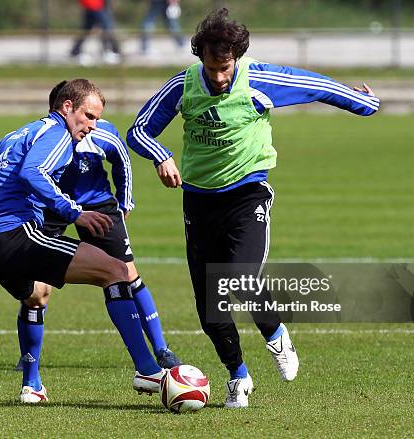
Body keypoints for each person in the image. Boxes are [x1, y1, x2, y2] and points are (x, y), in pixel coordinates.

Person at [126, 8, 380, 408]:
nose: (219, 76)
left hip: (247, 195)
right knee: (211, 310)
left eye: (225, 67)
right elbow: (139, 129)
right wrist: (160, 155)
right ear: (201, 58)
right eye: (211, 67)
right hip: (199, 200)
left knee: (238, 280)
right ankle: (238, 377)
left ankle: (276, 336)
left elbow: (315, 86)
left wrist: (365, 103)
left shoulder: (259, 78)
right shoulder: (184, 85)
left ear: (237, 58)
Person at [0, 79, 164, 404]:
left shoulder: (17, 135)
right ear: (67, 107)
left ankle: (31, 385)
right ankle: (148, 369)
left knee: (38, 295)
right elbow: (33, 172)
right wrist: (74, 214)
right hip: (17, 234)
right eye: (89, 116)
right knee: (117, 272)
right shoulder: (56, 134)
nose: (93, 126)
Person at [14, 80, 181, 372]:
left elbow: (122, 162)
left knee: (127, 274)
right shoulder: (48, 137)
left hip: (97, 207)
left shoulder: (103, 133)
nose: (91, 123)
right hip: (54, 207)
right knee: (38, 289)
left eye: (94, 117)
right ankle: (29, 363)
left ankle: (161, 348)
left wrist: (124, 201)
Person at [71, 0, 121, 65]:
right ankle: (112, 51)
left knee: (87, 29)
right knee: (106, 28)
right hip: (95, 6)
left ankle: (75, 50)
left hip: (95, 6)